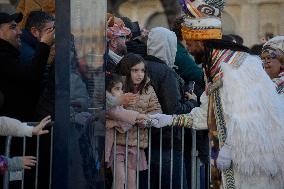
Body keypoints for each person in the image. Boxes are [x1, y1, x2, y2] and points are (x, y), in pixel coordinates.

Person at [150, 0, 284, 189]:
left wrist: (229, 148)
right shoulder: (212, 68)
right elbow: (205, 116)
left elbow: (253, 115)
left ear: (200, 40)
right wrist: (170, 119)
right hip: (229, 162)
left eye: (189, 43)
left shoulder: (239, 65)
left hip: (253, 162)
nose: (187, 48)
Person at [115, 53, 162, 188]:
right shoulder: (118, 86)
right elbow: (110, 109)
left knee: (132, 182)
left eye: (142, 70)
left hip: (137, 143)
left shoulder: (148, 89)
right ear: (126, 70)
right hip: (117, 141)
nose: (139, 74)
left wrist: (146, 120)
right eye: (135, 70)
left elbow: (157, 110)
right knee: (119, 179)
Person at [0, 12, 54, 121]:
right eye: (13, 27)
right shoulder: (2, 57)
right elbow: (31, 78)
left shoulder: (11, 54)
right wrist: (44, 45)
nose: (20, 32)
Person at [105, 73, 152, 189]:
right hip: (107, 147)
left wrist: (115, 123)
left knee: (130, 179)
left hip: (116, 146)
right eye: (117, 89)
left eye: (121, 89)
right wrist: (140, 116)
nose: (121, 92)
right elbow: (120, 114)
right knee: (119, 177)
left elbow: (125, 122)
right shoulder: (108, 104)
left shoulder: (118, 105)